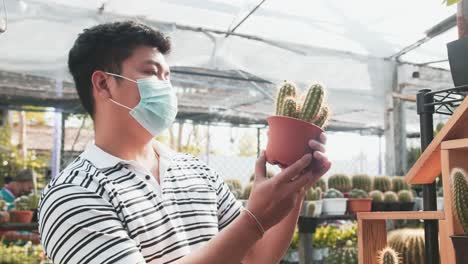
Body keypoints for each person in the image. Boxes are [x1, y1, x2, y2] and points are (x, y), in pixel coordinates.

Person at [37, 21, 331, 264]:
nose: (165, 87)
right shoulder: (73, 193)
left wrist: (296, 185)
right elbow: (248, 232)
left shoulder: (197, 173)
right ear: (103, 84)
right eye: (152, 73)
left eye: (167, 77)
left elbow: (255, 257)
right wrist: (252, 221)